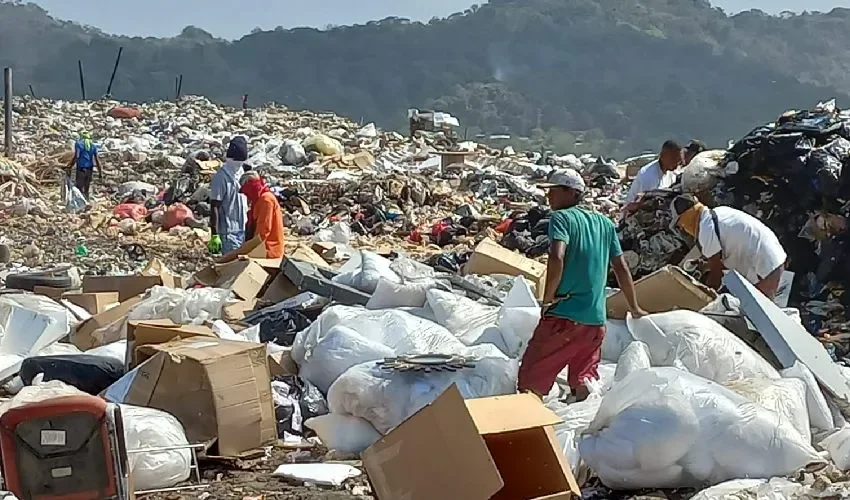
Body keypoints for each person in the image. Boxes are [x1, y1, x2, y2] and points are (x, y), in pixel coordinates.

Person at [518, 169, 647, 401]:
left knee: (530, 379)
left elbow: (557, 257)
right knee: (582, 381)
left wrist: (547, 299)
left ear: (570, 193)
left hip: (564, 317)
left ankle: (525, 431)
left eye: (553, 191)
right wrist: (634, 307)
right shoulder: (605, 224)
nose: (549, 197)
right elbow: (621, 268)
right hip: (595, 322)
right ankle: (583, 427)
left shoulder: (561, 218)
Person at [670, 195, 787, 299]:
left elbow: (717, 274)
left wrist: (703, 297)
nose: (683, 229)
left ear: (686, 218)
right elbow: (729, 247)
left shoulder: (705, 228)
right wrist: (706, 265)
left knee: (756, 315)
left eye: (681, 225)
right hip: (774, 257)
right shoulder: (720, 211)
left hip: (765, 268)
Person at [218, 172, 285, 262]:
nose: (246, 196)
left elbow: (261, 235)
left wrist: (239, 252)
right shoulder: (258, 201)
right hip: (260, 249)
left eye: (246, 192)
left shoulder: (266, 200)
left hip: (269, 250)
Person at [208, 136, 248, 255]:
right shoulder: (221, 177)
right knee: (232, 268)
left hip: (243, 229)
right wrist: (214, 234)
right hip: (228, 233)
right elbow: (214, 206)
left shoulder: (241, 173)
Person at [623, 140, 683, 208]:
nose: (677, 163)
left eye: (679, 160)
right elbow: (646, 203)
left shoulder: (672, 173)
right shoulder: (648, 175)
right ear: (662, 156)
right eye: (673, 158)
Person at [66, 131, 101, 198]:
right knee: (86, 189)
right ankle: (87, 202)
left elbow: (77, 156)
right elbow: (97, 159)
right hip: (89, 170)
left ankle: (80, 205)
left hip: (81, 169)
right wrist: (100, 172)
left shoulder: (78, 144)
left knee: (79, 188)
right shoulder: (93, 145)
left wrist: (70, 166)